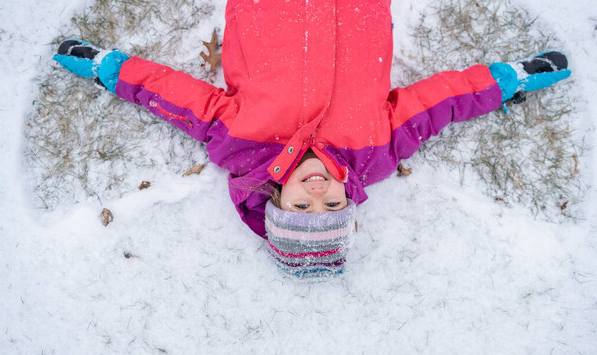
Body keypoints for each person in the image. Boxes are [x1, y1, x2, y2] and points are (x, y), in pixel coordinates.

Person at [52, 0, 571, 278]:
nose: (320, 193)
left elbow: (169, 95)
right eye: (333, 207)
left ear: (278, 197)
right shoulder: (375, 153)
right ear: (349, 199)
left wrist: (106, 69)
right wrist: (508, 81)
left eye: (302, 205)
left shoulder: (236, 143)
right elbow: (440, 104)